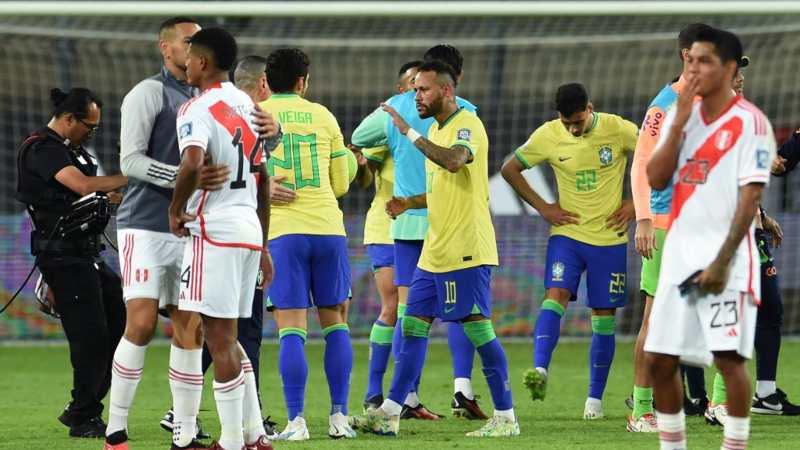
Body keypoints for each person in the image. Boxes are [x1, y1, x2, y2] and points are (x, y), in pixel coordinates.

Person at [356, 60, 519, 438]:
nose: (417, 96)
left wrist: (408, 132)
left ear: (446, 90)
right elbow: (441, 191)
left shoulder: (465, 125)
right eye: (414, 90)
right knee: (412, 326)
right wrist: (408, 204)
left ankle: (506, 417)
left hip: (465, 249)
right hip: (435, 250)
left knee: (478, 329)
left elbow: (454, 162)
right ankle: (390, 412)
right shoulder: (438, 128)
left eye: (424, 89)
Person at [644, 27, 775, 450]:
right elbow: (656, 176)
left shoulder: (750, 122)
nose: (694, 68)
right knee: (660, 359)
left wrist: (721, 260)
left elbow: (750, 195)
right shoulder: (681, 115)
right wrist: (680, 120)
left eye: (705, 61)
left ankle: (734, 445)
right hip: (680, 254)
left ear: (730, 68)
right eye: (691, 60)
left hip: (729, 260)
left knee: (729, 360)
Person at [107, 17, 222, 449]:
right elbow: (132, 162)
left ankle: (184, 434)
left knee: (190, 327)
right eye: (187, 42)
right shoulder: (148, 93)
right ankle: (115, 431)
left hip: (192, 228)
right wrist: (184, 178)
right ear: (165, 47)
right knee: (140, 324)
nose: (194, 50)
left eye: (199, 44)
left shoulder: (208, 98)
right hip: (145, 225)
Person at [501, 83, 638, 419]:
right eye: (567, 123)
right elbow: (509, 169)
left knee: (604, 316)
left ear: (590, 108)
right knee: (555, 293)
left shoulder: (618, 129)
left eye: (578, 121)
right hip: (568, 235)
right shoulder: (548, 135)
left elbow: (659, 156)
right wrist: (544, 208)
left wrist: (636, 204)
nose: (573, 129)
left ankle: (595, 401)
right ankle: (540, 369)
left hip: (609, 238)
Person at [168, 27, 274, 450]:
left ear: (204, 63)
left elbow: (192, 161)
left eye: (190, 56)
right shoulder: (249, 105)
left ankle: (230, 440)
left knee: (214, 337)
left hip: (215, 230)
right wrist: (264, 244)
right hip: (248, 228)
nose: (186, 62)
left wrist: (176, 209)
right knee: (226, 336)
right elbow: (263, 179)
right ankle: (253, 434)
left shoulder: (197, 107)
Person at [15, 87, 128, 438]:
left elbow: (96, 194)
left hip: (87, 254)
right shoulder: (42, 148)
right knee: (89, 337)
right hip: (62, 257)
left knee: (120, 324)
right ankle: (84, 416)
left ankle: (83, 405)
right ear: (68, 119)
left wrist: (136, 197)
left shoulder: (74, 153)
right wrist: (138, 174)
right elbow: (81, 186)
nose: (91, 133)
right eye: (89, 126)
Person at [258, 47, 356, 441]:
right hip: (328, 228)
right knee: (336, 324)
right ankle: (339, 418)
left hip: (283, 233)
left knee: (291, 330)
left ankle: (296, 422)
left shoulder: (258, 116)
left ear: (266, 81)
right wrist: (349, 159)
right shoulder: (324, 116)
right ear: (303, 82)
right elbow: (341, 184)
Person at [627, 23, 712, 432]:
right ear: (686, 56)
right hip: (665, 224)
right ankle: (641, 409)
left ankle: (721, 403)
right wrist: (643, 218)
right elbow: (642, 164)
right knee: (655, 319)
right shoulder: (664, 106)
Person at [351, 59, 421, 413]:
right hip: (387, 225)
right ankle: (377, 394)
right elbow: (365, 182)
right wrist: (365, 167)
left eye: (421, 83)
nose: (416, 89)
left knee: (417, 312)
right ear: (400, 89)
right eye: (411, 83)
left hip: (423, 226)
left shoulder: (433, 124)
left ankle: (407, 396)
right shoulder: (387, 124)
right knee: (395, 307)